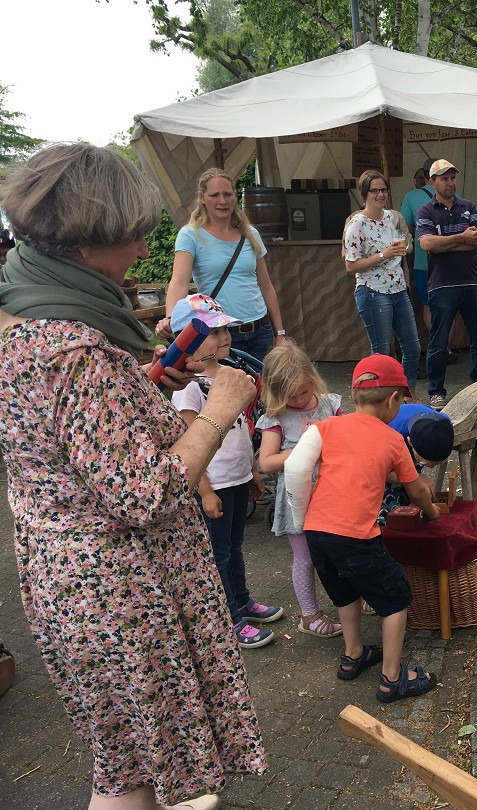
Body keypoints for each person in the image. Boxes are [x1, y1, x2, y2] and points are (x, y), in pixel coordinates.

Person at [0, 143, 265, 809]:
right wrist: (222, 409)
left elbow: (72, 442)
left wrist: (144, 389)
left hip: (69, 584)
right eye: (133, 233)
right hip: (122, 595)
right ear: (88, 240)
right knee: (137, 775)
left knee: (124, 762)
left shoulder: (22, 313)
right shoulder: (74, 351)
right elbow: (143, 493)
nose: (143, 247)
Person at [284, 354, 441, 700]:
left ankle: (352, 655)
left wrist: (301, 519)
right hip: (356, 536)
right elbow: (415, 489)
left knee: (345, 593)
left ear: (354, 395)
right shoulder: (393, 440)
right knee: (396, 597)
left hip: (317, 533)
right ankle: (392, 677)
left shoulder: (325, 427)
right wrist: (432, 511)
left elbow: (295, 468)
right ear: (393, 400)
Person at [171, 293, 282, 649]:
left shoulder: (229, 375)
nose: (225, 337)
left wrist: (252, 470)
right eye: (213, 331)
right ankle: (227, 617)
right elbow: (189, 443)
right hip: (214, 484)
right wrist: (204, 491)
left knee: (235, 545)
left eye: (225, 329)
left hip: (237, 477)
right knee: (217, 552)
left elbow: (241, 426)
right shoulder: (187, 387)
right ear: (186, 339)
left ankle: (243, 600)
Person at [256, 340, 345, 638]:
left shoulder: (329, 404)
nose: (298, 399)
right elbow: (266, 462)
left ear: (312, 378)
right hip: (298, 500)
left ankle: (357, 597)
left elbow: (347, 437)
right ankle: (310, 615)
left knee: (343, 549)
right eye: (289, 396)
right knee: (305, 558)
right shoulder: (276, 417)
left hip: (333, 492)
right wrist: (306, 449)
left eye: (303, 392)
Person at [156, 168, 286, 364]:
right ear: (202, 198)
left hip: (261, 329)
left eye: (227, 194)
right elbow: (179, 282)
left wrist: (280, 333)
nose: (222, 201)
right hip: (221, 333)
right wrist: (171, 318)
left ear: (235, 196)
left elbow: (266, 285)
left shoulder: (250, 234)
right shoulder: (191, 235)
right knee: (226, 390)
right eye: (215, 195)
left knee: (263, 391)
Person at [415, 159, 477, 411]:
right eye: (444, 178)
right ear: (433, 181)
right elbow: (426, 245)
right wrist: (460, 238)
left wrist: (444, 242)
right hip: (442, 284)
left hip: (471, 281)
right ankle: (436, 392)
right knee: (438, 341)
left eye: (452, 177)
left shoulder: (468, 206)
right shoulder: (426, 210)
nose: (450, 182)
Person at [343, 168, 422, 388]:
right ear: (364, 194)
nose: (380, 195)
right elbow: (350, 266)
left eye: (383, 190)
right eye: (374, 191)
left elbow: (406, 243)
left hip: (398, 289)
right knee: (381, 352)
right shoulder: (357, 224)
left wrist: (403, 248)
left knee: (413, 348)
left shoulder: (393, 218)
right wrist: (383, 255)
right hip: (372, 292)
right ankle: (380, 400)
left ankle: (407, 395)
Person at [380, 404, 456, 521]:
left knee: (414, 492)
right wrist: (415, 478)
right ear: (410, 442)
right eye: (425, 462)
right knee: (392, 507)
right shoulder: (391, 435)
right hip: (376, 463)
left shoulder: (444, 425)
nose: (431, 467)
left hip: (406, 450)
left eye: (436, 463)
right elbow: (383, 473)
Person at [399, 157, 437, 334]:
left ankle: (440, 346)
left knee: (427, 304)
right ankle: (447, 346)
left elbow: (405, 228)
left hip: (423, 261)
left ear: (424, 174)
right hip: (451, 261)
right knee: (448, 306)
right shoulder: (456, 195)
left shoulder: (411, 196)